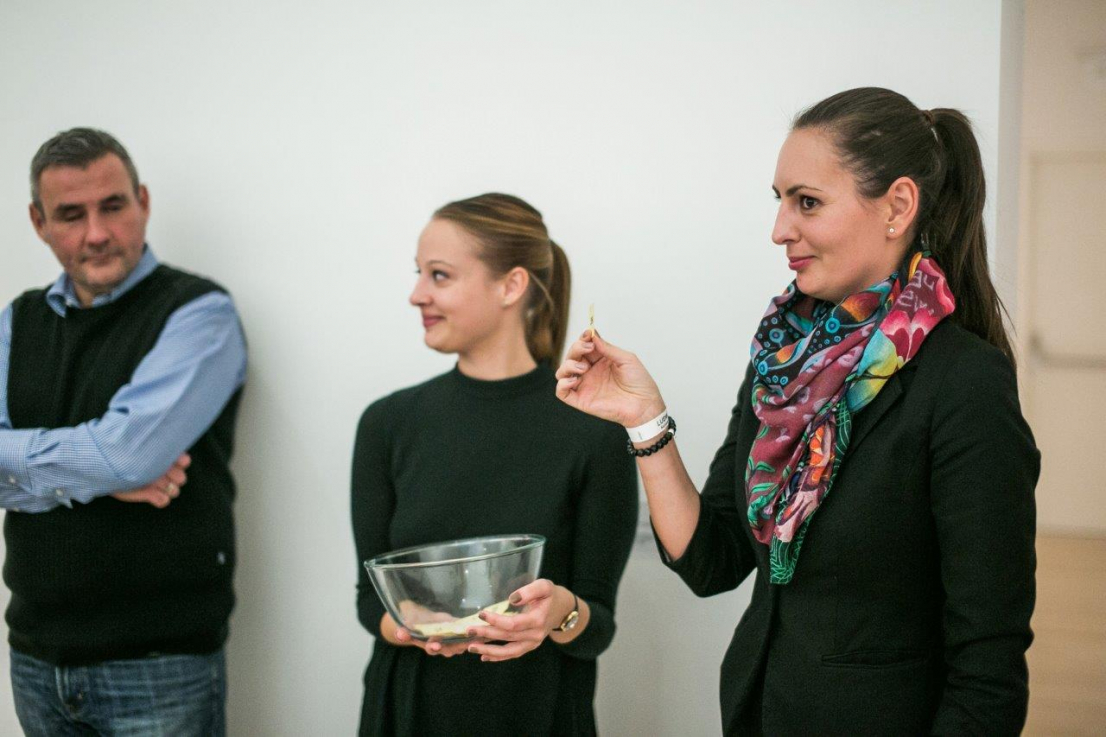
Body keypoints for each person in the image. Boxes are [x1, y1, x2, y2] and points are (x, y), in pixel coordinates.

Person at [555, 88, 1039, 736]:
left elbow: (988, 669)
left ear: (897, 206)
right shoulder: (782, 363)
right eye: (780, 200)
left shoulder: (964, 383)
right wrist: (645, 420)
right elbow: (712, 558)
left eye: (807, 201)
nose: (780, 229)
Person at [351, 193, 638, 736]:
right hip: (408, 713)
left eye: (439, 275)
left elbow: (596, 626)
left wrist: (558, 611)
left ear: (511, 286)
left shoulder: (595, 433)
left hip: (539, 714)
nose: (416, 294)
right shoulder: (387, 424)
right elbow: (371, 601)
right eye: (419, 273)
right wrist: (414, 626)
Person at [0, 128, 247, 736]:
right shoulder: (18, 320)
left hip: (158, 665)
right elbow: (119, 462)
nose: (97, 233)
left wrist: (93, 466)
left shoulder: (199, 313)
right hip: (35, 655)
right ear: (38, 222)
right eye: (71, 215)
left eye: (112, 206)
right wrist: (101, 476)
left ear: (143, 201)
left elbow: (128, 455)